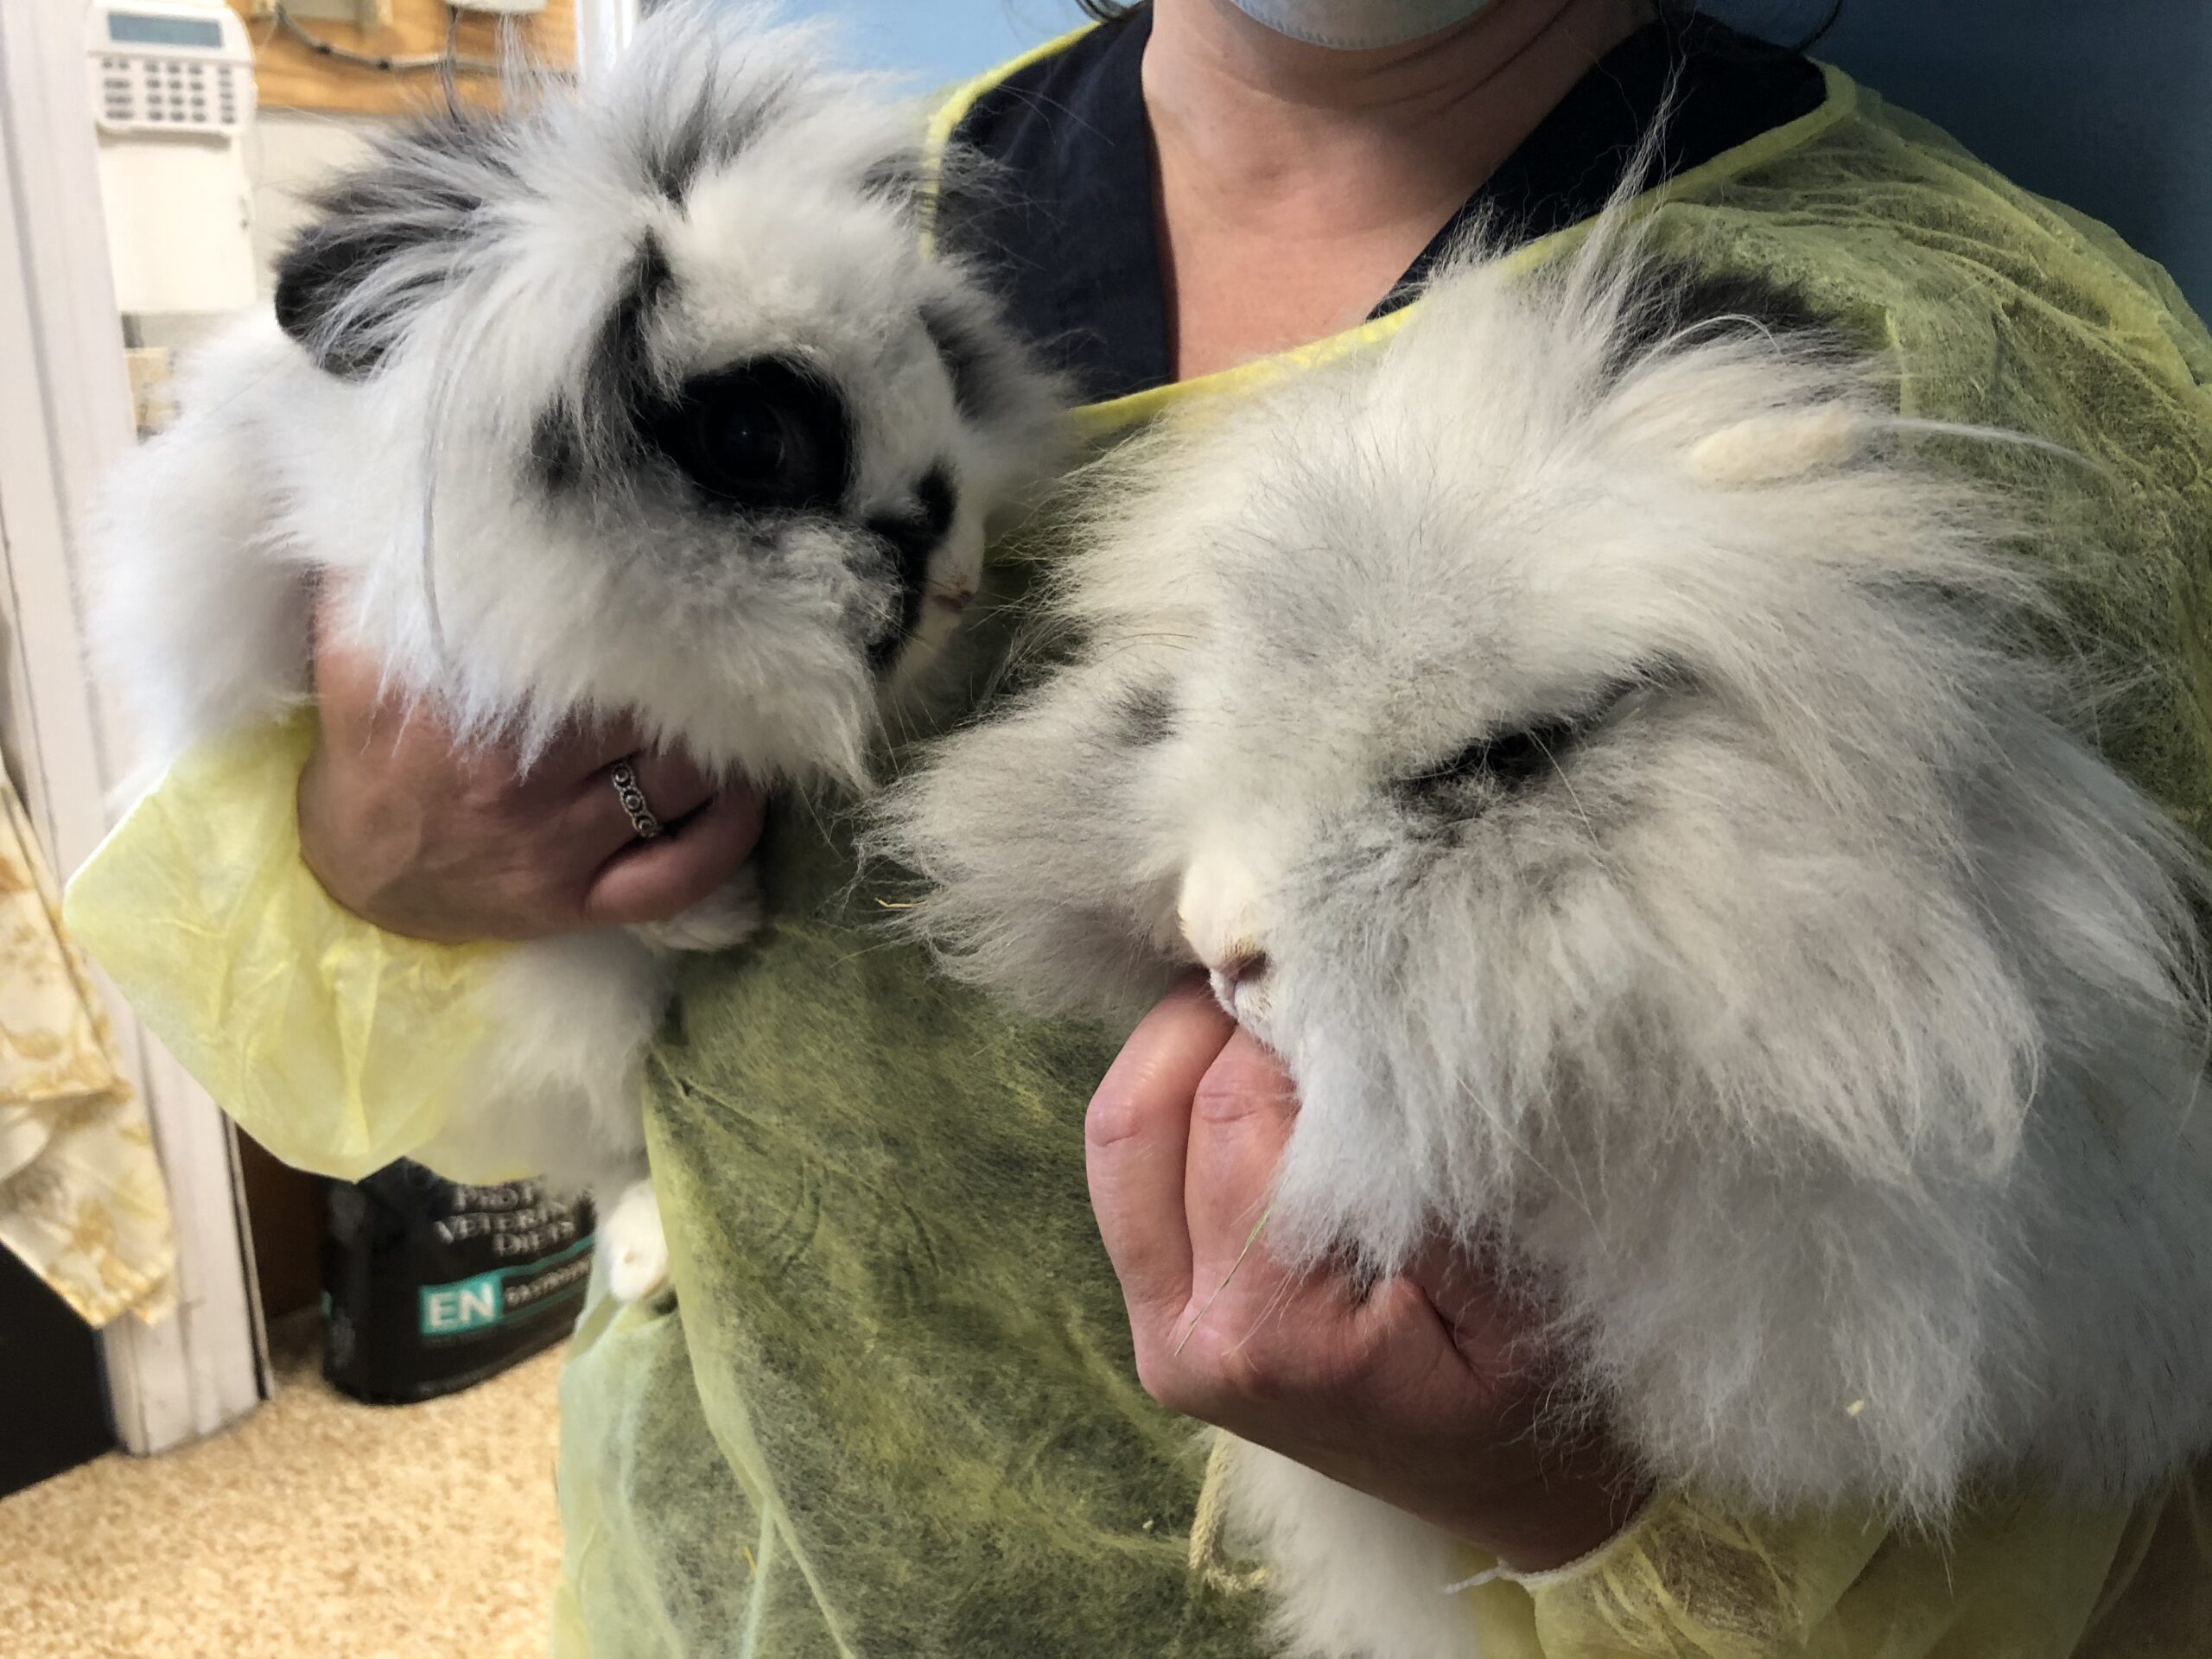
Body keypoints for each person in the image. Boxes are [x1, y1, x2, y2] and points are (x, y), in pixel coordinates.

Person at [88, 1, 2212, 1652]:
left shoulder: (1994, 366)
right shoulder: (828, 217)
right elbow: (362, 1029)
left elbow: (2075, 1402)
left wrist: (1568, 1506)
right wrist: (392, 845)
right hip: (733, 1576)